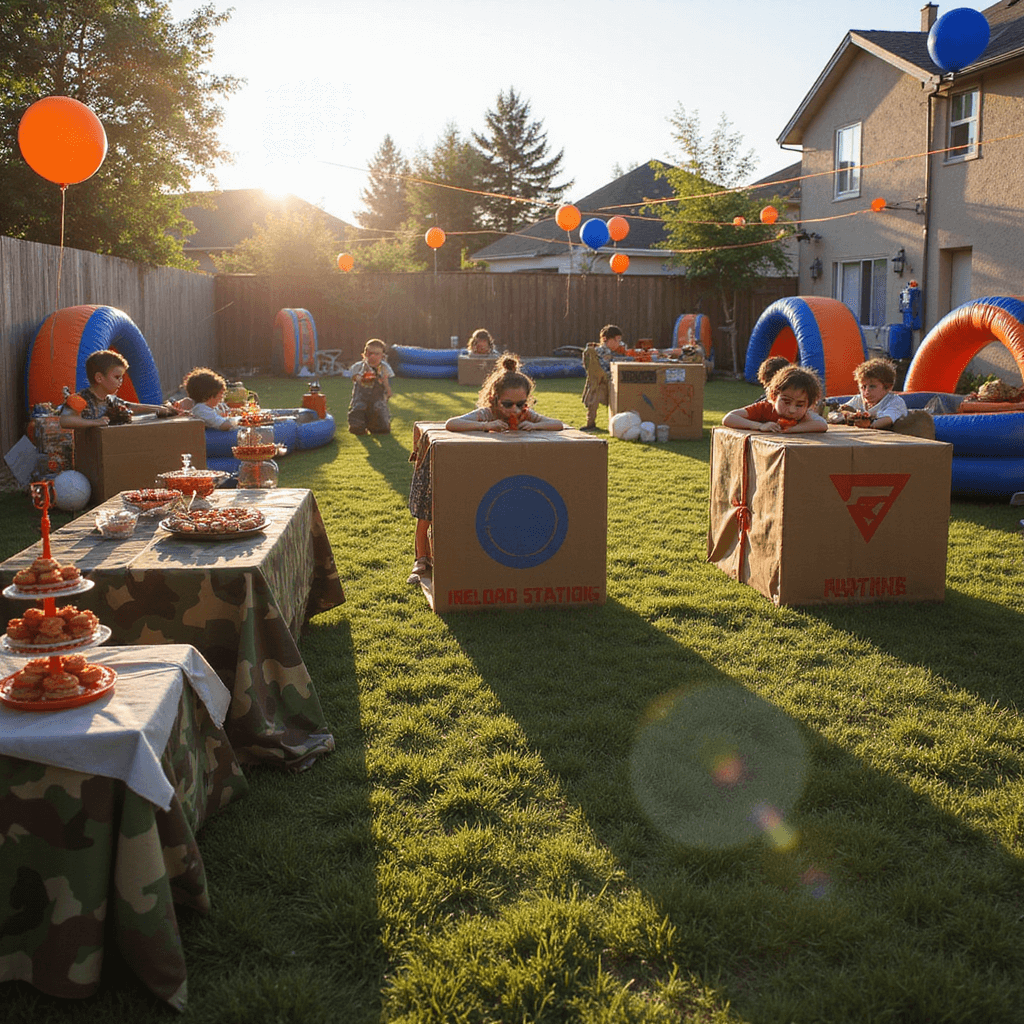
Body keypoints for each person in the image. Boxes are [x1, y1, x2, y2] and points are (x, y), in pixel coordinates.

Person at [407, 354, 564, 584]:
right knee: (428, 513)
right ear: (494, 398)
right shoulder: (486, 413)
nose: (514, 410)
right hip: (447, 465)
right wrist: (486, 426)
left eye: (521, 404)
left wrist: (532, 423)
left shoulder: (524, 415)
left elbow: (557, 424)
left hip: (490, 472)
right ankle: (421, 558)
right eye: (508, 404)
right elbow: (452, 424)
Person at [58, 349, 178, 428]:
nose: (120, 382)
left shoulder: (110, 400)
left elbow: (132, 406)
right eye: (117, 377)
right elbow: (65, 420)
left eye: (121, 377)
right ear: (99, 378)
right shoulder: (80, 399)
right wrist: (94, 423)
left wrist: (160, 408)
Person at [723, 364, 828, 433]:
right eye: (786, 402)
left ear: (809, 405)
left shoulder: (803, 415)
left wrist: (792, 429)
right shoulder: (764, 408)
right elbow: (729, 418)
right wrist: (759, 426)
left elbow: (822, 425)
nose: (792, 410)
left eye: (799, 405)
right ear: (773, 396)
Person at [837, 358, 908, 429]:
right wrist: (850, 415)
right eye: (863, 387)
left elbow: (887, 420)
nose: (867, 391)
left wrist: (869, 423)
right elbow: (842, 410)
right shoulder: (859, 399)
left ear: (888, 387)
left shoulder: (895, 402)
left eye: (872, 386)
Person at [581, 324, 627, 430]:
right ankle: (590, 423)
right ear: (606, 339)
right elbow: (603, 367)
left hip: (612, 380)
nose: (618, 343)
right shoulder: (600, 352)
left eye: (620, 340)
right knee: (595, 399)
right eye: (616, 340)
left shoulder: (618, 350)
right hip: (603, 381)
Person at [348, 339, 394, 434]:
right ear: (364, 355)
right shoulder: (359, 366)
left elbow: (385, 379)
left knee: (380, 418)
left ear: (382, 356)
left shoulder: (384, 367)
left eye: (377, 354)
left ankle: (376, 425)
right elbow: (354, 376)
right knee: (358, 410)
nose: (373, 356)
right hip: (361, 395)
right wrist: (361, 379)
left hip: (377, 396)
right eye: (370, 354)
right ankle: (357, 426)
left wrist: (388, 390)